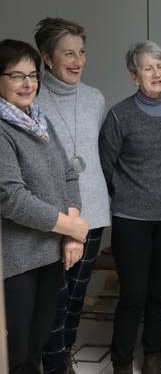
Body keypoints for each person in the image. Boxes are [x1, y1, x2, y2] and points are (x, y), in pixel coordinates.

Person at [0, 39, 89, 374]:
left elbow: (68, 175)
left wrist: (72, 232)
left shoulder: (39, 121)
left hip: (49, 254)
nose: (28, 84)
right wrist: (71, 227)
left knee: (36, 345)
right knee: (17, 355)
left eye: (33, 75)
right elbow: (11, 197)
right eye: (17, 75)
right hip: (15, 261)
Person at [98, 41, 161, 374]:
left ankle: (152, 357)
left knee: (159, 293)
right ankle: (122, 362)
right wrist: (128, 193)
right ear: (134, 76)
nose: (156, 73)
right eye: (148, 68)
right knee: (133, 295)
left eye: (160, 66)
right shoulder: (120, 115)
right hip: (130, 219)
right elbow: (106, 165)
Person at [33, 17, 111, 374]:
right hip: (53, 216)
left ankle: (64, 359)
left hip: (92, 212)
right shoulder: (31, 100)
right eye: (68, 54)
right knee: (53, 300)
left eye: (81, 53)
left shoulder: (95, 98)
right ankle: (51, 365)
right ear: (47, 58)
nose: (77, 61)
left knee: (77, 298)